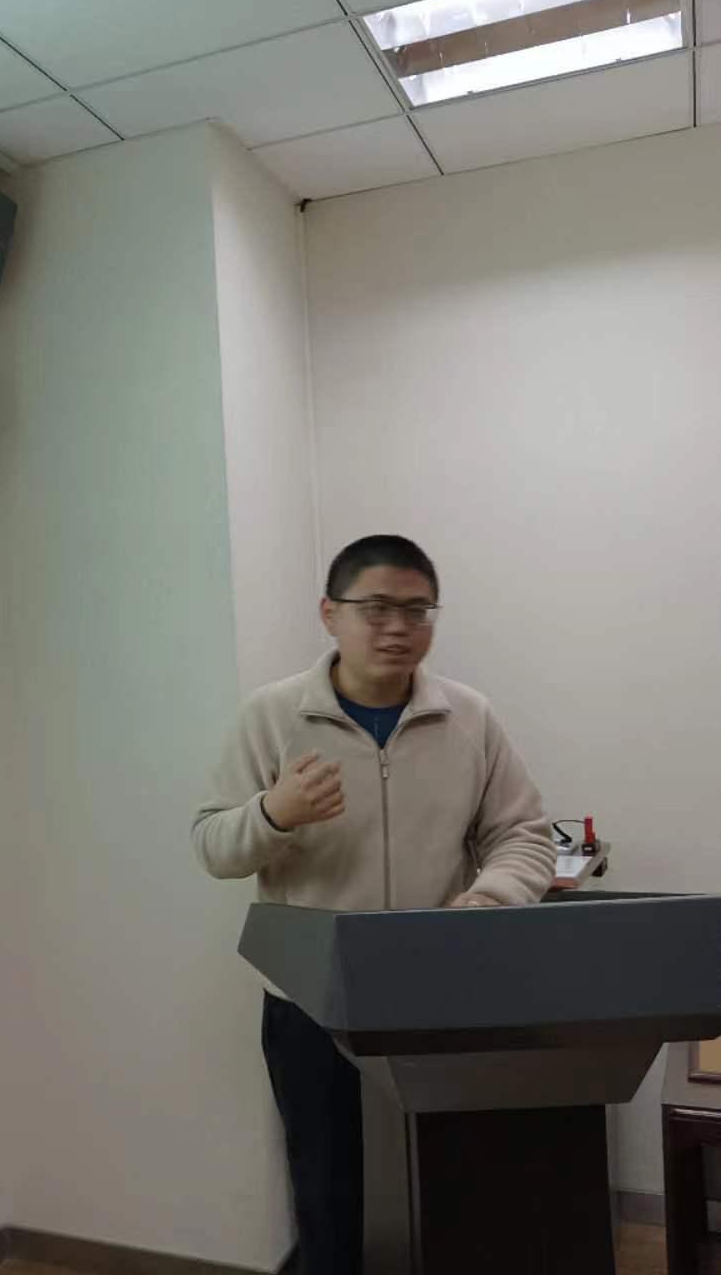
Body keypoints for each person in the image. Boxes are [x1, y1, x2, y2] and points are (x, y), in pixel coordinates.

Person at [191, 535, 556, 1275]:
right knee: (325, 1185)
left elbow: (523, 834)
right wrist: (275, 813)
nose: (398, 628)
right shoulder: (273, 716)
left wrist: (488, 899)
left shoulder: (469, 717)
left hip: (439, 989)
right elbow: (213, 847)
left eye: (418, 610)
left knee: (449, 1173)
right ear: (330, 613)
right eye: (377, 608)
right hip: (309, 996)